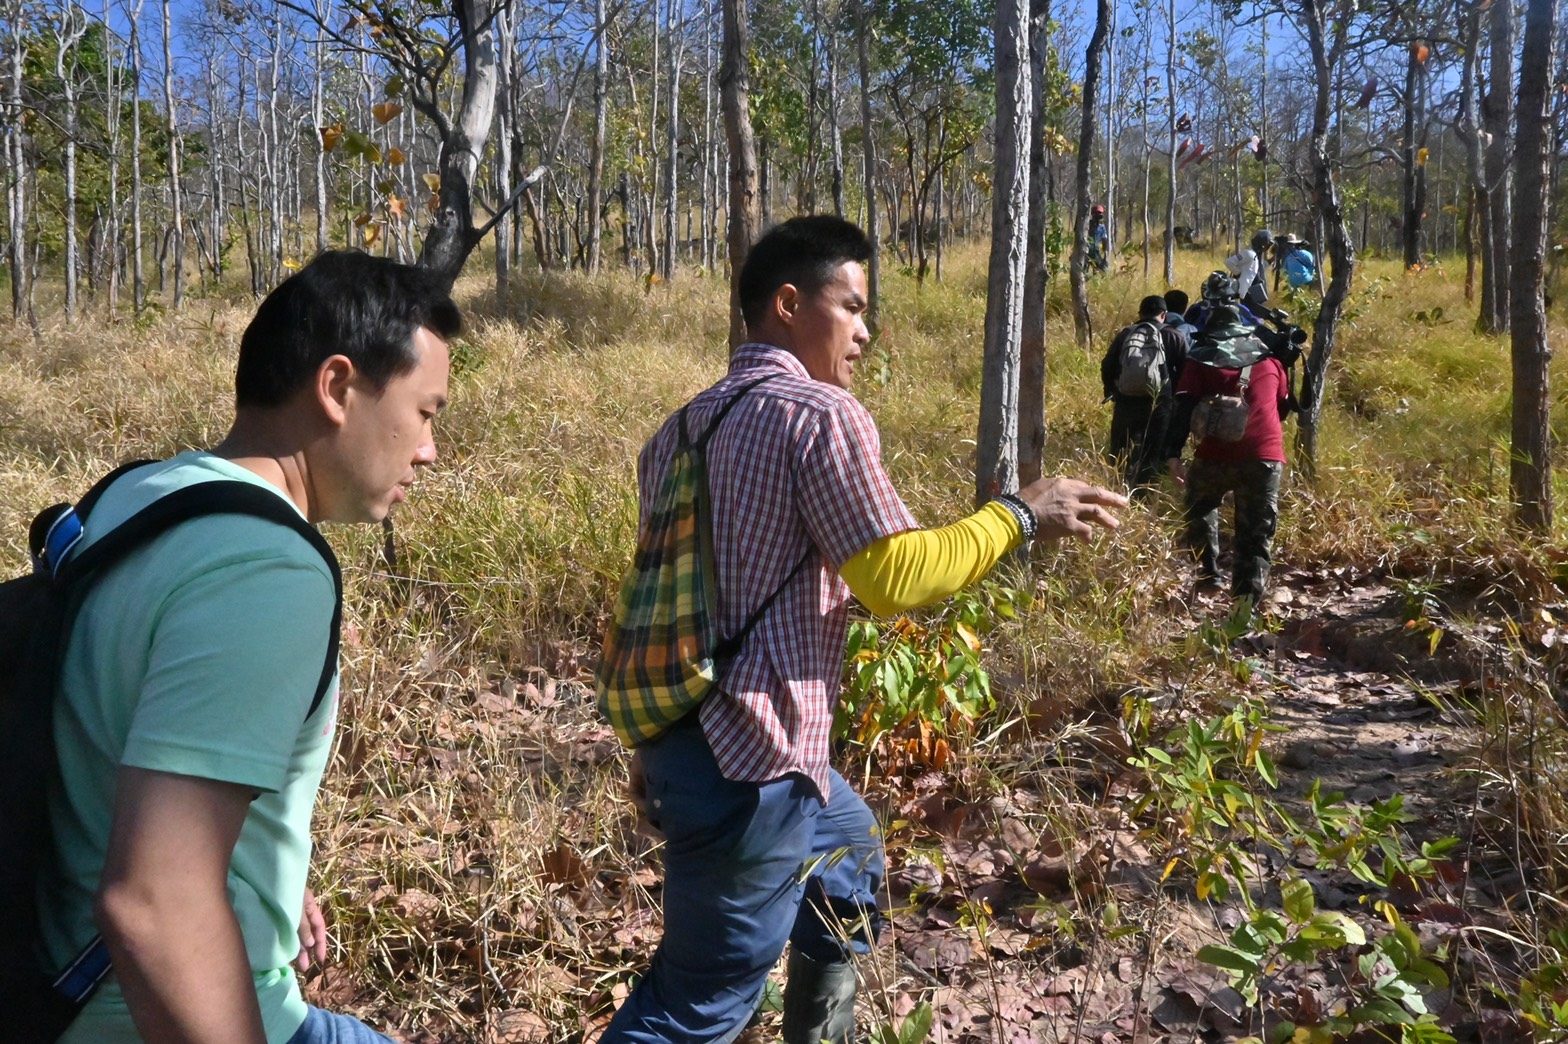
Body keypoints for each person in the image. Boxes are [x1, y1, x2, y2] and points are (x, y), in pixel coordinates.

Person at [602, 215, 1125, 1044]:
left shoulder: (677, 430)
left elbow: (664, 602)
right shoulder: (819, 415)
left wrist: (651, 743)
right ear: (786, 304)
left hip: (701, 744)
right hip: (755, 767)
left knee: (851, 854)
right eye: (851, 307)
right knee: (695, 1009)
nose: (866, 332)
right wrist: (1021, 515)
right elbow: (892, 579)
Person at [38, 251, 458, 1043]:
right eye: (427, 412)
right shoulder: (267, 570)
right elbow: (153, 902)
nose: (428, 449)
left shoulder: (143, 492)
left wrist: (262, 871)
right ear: (337, 387)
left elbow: (120, 722)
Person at [1164, 303, 1289, 607]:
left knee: (1199, 504)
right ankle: (1245, 608)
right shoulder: (1271, 361)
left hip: (1215, 455)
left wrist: (1173, 454)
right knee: (1256, 534)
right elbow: (1282, 407)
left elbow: (1182, 410)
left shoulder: (1201, 360)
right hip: (1265, 456)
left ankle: (1209, 574)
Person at [1100, 294, 1189, 493]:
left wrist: (1112, 391)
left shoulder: (1126, 334)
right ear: (1164, 315)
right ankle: (1143, 496)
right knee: (1152, 452)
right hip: (1160, 404)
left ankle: (1117, 493)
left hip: (1126, 401)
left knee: (1121, 451)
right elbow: (1186, 373)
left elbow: (1108, 365)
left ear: (1140, 313)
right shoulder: (1175, 336)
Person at [1225, 229, 1274, 314]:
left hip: (1257, 293)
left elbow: (1259, 268)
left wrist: (1272, 259)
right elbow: (1229, 262)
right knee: (1249, 318)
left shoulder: (1257, 255)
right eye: (1267, 244)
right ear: (1262, 243)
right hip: (1248, 294)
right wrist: (1238, 273)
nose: (1268, 247)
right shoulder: (1248, 254)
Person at [1088, 204, 1110, 272]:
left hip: (1096, 252)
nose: (1099, 215)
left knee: (1103, 270)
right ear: (1093, 214)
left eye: (1100, 213)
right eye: (1097, 213)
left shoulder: (1101, 227)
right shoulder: (1087, 225)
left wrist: (1105, 256)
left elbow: (1104, 241)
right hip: (1086, 251)